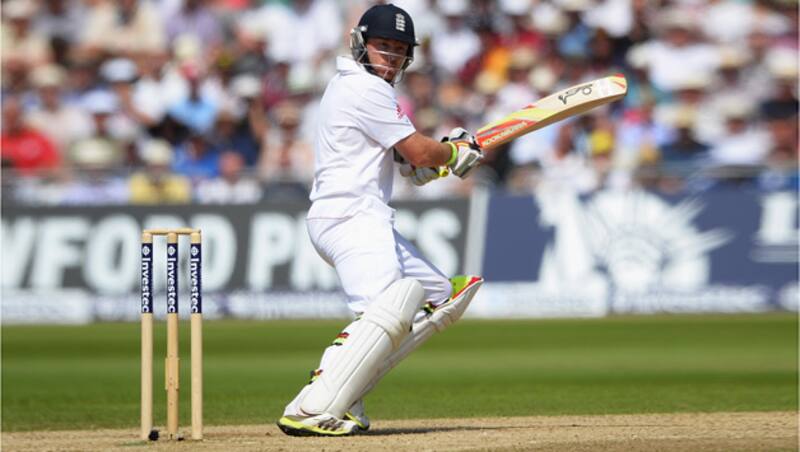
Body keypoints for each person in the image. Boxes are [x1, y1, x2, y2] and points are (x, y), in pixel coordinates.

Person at [276, 4, 484, 437]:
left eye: (398, 50)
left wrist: (424, 165)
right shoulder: (363, 88)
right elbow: (424, 152)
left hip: (358, 215)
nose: (390, 56)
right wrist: (453, 153)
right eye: (382, 46)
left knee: (439, 294)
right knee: (380, 311)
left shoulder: (360, 89)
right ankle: (313, 407)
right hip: (351, 215)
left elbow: (407, 161)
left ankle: (345, 396)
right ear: (360, 44)